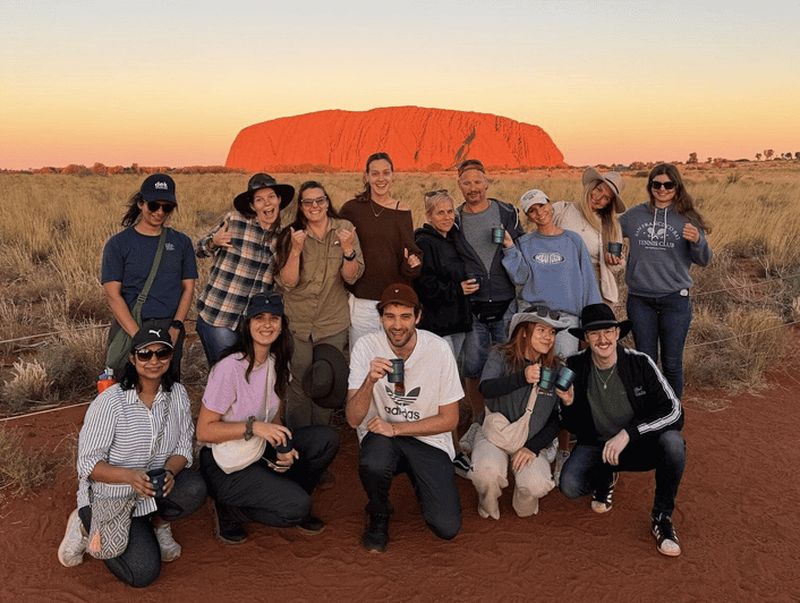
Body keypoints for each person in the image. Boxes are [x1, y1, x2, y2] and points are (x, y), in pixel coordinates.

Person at [57, 327, 206, 587]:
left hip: (152, 491)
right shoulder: (110, 402)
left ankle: (158, 525)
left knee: (193, 488)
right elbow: (88, 464)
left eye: (162, 353)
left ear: (170, 356)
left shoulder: (178, 395)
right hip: (112, 495)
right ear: (132, 358)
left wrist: (169, 472)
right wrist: (129, 476)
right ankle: (83, 523)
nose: (154, 360)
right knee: (142, 573)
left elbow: (183, 448)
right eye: (145, 354)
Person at [196, 292, 339, 544]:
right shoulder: (229, 368)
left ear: (282, 325)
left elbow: (274, 420)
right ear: (247, 324)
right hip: (225, 463)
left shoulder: (277, 363)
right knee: (297, 508)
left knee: (326, 439)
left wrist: (284, 448)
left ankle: (287, 494)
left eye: (274, 318)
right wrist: (253, 428)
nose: (267, 324)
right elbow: (204, 431)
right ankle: (230, 510)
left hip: (257, 449)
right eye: (259, 318)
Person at [558, 303, 686, 557]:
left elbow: (675, 411)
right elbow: (570, 425)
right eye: (595, 333)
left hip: (636, 443)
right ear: (585, 338)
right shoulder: (573, 366)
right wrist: (569, 404)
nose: (602, 339)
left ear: (617, 333)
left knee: (673, 444)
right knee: (570, 486)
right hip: (597, 444)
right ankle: (605, 476)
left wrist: (629, 433)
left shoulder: (640, 363)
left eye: (608, 331)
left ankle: (662, 518)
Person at [346, 283, 463, 552]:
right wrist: (369, 381)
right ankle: (378, 512)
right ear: (380, 318)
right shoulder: (366, 346)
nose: (397, 325)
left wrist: (397, 429)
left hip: (428, 439)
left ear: (418, 317)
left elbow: (450, 420)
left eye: (405, 316)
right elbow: (353, 419)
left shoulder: (438, 349)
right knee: (373, 463)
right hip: (382, 437)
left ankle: (423, 483)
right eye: (390, 316)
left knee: (446, 527)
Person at [274, 180, 364, 430]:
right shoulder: (292, 234)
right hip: (299, 322)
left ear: (327, 202)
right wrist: (295, 250)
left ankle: (321, 438)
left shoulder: (345, 229)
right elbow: (288, 282)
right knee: (300, 379)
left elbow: (351, 277)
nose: (314, 206)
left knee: (326, 379)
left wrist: (348, 250)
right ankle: (299, 438)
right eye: (308, 202)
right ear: (301, 207)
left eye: (319, 200)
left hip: (331, 321)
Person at [620, 163, 712, 398]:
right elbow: (608, 230)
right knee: (646, 360)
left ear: (677, 187)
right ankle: (651, 409)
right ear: (650, 186)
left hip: (675, 299)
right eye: (656, 184)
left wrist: (698, 241)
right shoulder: (633, 216)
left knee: (671, 363)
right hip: (640, 299)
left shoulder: (687, 219)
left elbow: (703, 260)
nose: (662, 189)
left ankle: (673, 411)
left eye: (668, 185)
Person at [470, 306, 566, 519]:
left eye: (552, 332)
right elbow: (486, 388)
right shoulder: (500, 355)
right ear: (523, 331)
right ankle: (487, 502)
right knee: (485, 473)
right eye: (541, 330)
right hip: (495, 435)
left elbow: (558, 418)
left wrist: (533, 446)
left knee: (535, 486)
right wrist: (521, 378)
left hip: (530, 441)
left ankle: (522, 502)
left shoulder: (556, 368)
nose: (548, 337)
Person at [452, 158, 524, 434]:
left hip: (505, 302)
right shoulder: (454, 220)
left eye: (477, 181)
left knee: (510, 364)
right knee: (473, 366)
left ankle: (508, 420)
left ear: (487, 182)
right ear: (459, 185)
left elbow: (521, 249)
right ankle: (477, 421)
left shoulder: (506, 212)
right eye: (466, 182)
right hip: (473, 306)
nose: (473, 188)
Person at [101, 173, 197, 379]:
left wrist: (176, 327)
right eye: (154, 205)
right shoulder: (118, 244)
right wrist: (138, 336)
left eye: (167, 207)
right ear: (141, 204)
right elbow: (112, 295)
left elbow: (188, 288)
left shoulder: (181, 242)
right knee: (127, 387)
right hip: (132, 325)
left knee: (168, 386)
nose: (160, 212)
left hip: (169, 327)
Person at [195, 173, 295, 365]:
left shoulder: (283, 237)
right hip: (219, 316)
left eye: (271, 197)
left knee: (249, 374)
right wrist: (213, 241)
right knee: (225, 373)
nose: (267, 203)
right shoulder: (234, 221)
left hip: (252, 325)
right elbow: (199, 250)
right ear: (251, 206)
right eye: (259, 199)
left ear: (279, 200)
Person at [413, 190, 476, 476]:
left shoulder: (453, 238)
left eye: (450, 211)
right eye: (440, 212)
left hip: (458, 322)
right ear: (428, 215)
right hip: (439, 327)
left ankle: (449, 445)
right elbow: (423, 284)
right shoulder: (424, 242)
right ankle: (451, 450)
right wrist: (456, 289)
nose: (447, 217)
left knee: (453, 382)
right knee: (444, 388)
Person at [340, 152, 422, 346]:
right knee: (362, 355)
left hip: (395, 302)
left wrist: (413, 263)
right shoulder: (352, 209)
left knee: (394, 356)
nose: (381, 179)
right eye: (375, 173)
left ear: (393, 175)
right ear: (366, 176)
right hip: (363, 300)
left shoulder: (402, 211)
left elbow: (409, 252)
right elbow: (338, 244)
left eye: (386, 173)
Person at [552, 167, 626, 306]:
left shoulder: (611, 225)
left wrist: (614, 261)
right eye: (598, 189)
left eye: (606, 198)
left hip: (594, 284)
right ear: (592, 186)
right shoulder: (562, 210)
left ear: (609, 203)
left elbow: (617, 265)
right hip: (560, 278)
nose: (598, 198)